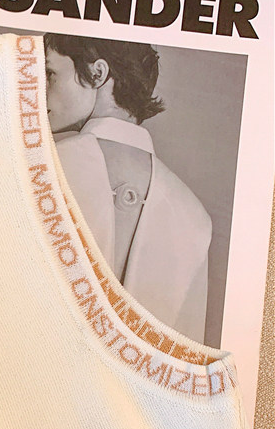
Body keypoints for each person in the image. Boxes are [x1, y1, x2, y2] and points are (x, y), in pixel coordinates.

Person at [43, 33, 213, 345]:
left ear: (97, 73)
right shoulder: (195, 216)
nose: (40, 90)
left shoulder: (40, 168)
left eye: (50, 73)